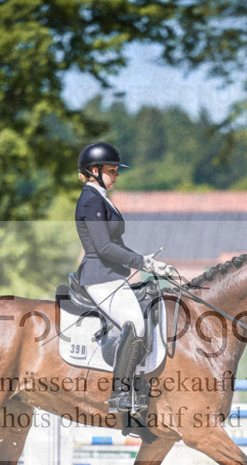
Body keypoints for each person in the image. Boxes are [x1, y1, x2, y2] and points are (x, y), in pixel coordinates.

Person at [74, 141, 174, 414]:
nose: (117, 175)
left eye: (117, 171)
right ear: (94, 170)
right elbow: (104, 248)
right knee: (135, 324)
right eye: (112, 170)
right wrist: (142, 262)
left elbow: (116, 243)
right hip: (99, 277)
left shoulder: (101, 198)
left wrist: (150, 263)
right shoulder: (90, 200)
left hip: (111, 276)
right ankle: (119, 394)